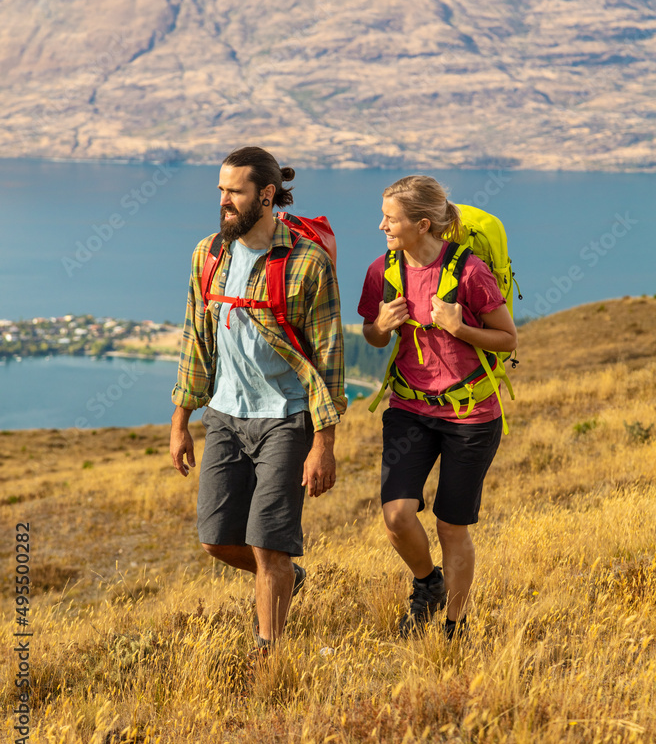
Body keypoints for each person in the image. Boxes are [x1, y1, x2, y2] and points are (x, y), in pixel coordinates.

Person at [170, 146, 346, 652]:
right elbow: (195, 339)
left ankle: (268, 655)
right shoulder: (209, 253)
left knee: (269, 545)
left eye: (235, 192)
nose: (224, 201)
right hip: (224, 415)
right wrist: (182, 418)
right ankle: (288, 575)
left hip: (286, 419)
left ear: (266, 195)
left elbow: (330, 357)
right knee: (216, 538)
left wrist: (324, 443)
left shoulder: (306, 262)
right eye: (221, 190)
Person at [358, 175, 517, 638]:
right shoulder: (381, 270)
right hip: (409, 409)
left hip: (470, 417)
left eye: (391, 218)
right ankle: (428, 583)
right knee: (397, 516)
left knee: (451, 528)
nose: (382, 225)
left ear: (422, 224)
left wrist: (460, 328)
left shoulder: (470, 272)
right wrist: (381, 326)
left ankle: (453, 626)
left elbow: (508, 339)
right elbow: (372, 333)